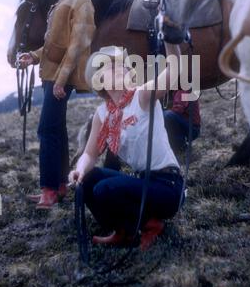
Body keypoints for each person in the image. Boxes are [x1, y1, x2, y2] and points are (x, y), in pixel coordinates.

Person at [69, 44, 184, 250]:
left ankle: (151, 224)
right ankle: (125, 231)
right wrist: (79, 170)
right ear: (99, 79)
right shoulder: (102, 114)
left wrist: (171, 40)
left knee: (105, 189)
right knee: (87, 180)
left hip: (168, 186)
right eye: (110, 65)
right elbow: (89, 153)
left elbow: (174, 70)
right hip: (143, 182)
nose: (120, 67)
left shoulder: (142, 96)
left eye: (121, 63)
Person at [19, 0, 96, 209]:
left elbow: (77, 45)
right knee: (57, 130)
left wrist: (62, 80)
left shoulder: (81, 0)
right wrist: (34, 56)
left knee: (47, 130)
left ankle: (49, 191)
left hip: (61, 76)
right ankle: (61, 185)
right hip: (52, 73)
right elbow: (55, 42)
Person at [163, 89, 201, 154]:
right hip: (186, 124)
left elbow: (178, 109)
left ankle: (181, 147)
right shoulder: (170, 92)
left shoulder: (182, 89)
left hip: (192, 129)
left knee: (167, 116)